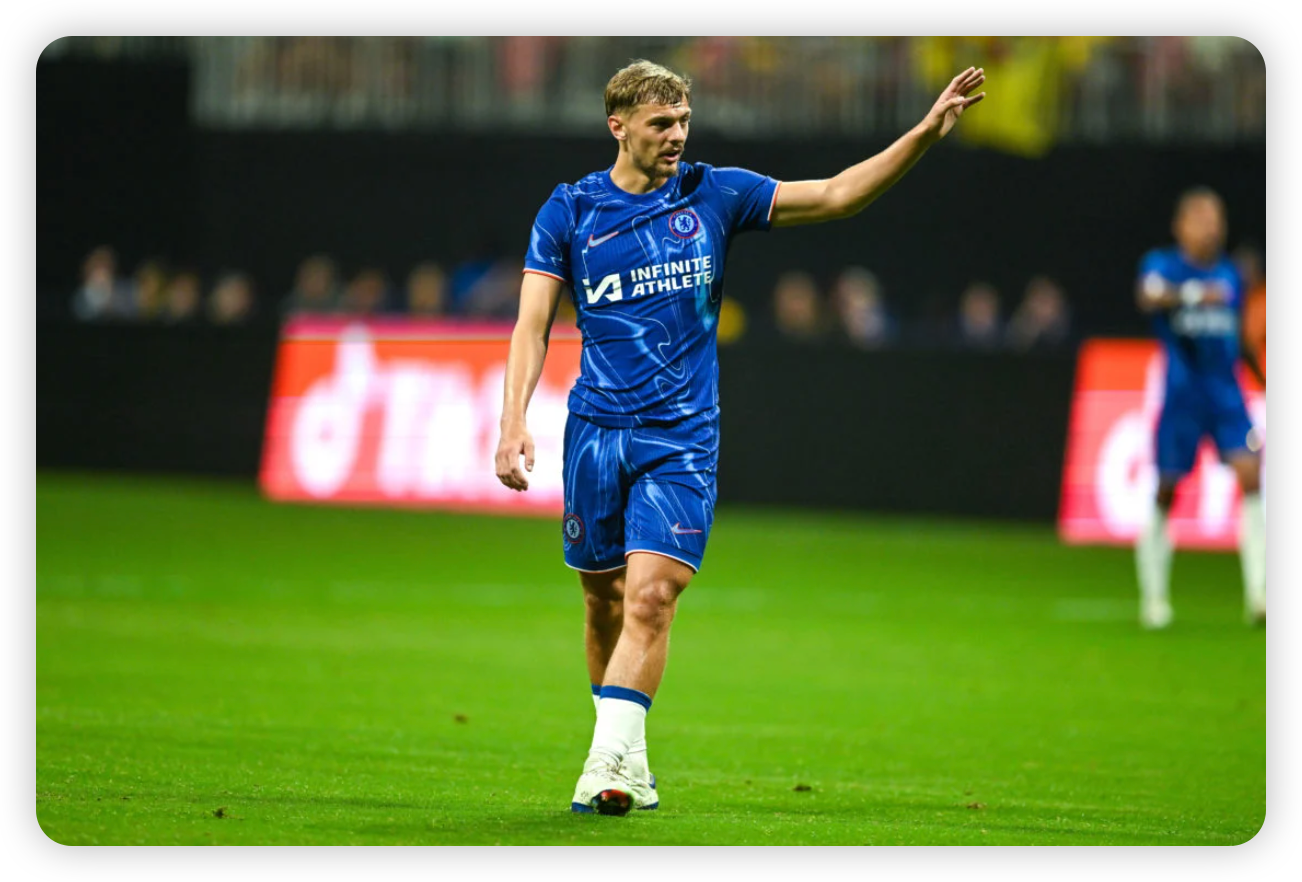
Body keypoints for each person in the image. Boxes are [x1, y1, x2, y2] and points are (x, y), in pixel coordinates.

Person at [493, 59, 986, 815]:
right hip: (596, 432)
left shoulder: (712, 192)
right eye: (661, 124)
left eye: (684, 121)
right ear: (617, 126)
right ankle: (634, 756)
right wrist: (513, 421)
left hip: (683, 437)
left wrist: (921, 134)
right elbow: (533, 324)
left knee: (654, 598)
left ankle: (601, 768)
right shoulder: (569, 211)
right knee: (604, 603)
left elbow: (836, 194)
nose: (677, 137)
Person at [1134, 188, 1265, 630]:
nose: (1212, 226)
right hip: (1181, 395)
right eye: (1203, 218)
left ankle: (1259, 595)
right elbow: (1148, 297)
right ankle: (1154, 598)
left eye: (1217, 218)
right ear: (1181, 225)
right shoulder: (1163, 265)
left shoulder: (1232, 273)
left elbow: (1237, 335)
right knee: (1166, 489)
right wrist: (1192, 294)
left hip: (1227, 395)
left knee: (1251, 473)